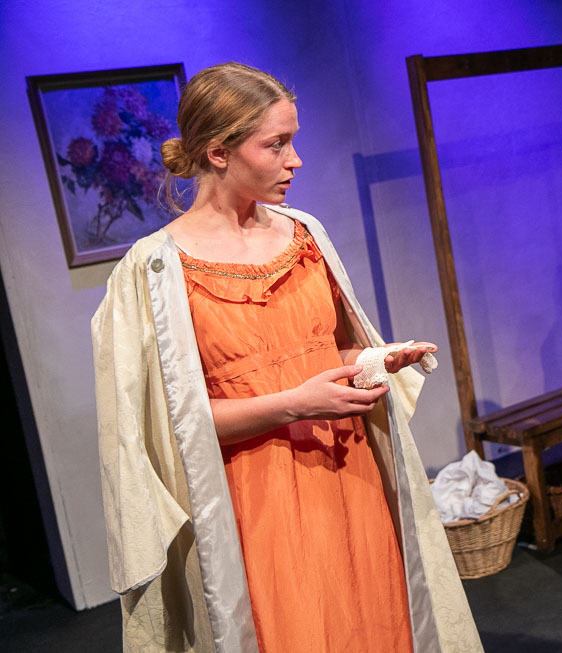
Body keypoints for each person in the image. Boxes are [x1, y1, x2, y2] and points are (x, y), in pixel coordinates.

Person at [92, 63, 483, 653]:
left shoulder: (305, 234)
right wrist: (294, 404)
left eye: (292, 141)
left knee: (374, 623)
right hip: (253, 495)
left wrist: (375, 360)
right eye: (276, 144)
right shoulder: (153, 269)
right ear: (219, 153)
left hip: (346, 470)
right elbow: (164, 427)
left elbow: (328, 348)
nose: (294, 160)